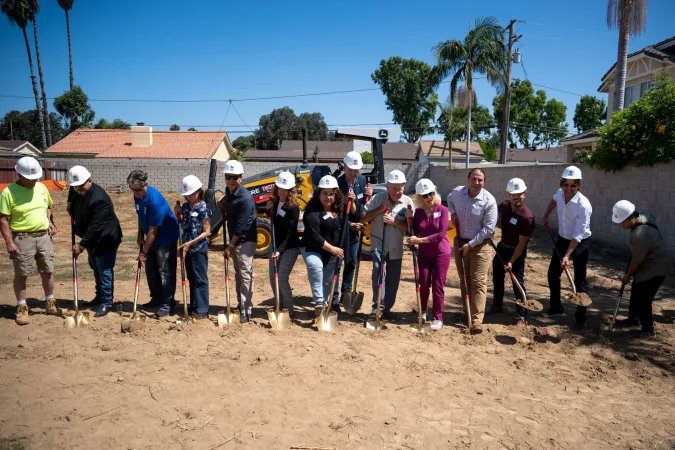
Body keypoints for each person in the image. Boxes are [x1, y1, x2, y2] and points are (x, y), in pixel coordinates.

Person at [0, 156, 59, 325]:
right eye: (30, 178)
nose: (34, 180)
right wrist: (9, 241)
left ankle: (50, 301)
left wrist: (49, 222)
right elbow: (3, 219)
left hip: (43, 237)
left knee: (48, 270)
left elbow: (48, 206)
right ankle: (22, 306)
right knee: (22, 273)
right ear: (18, 174)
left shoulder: (41, 188)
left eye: (36, 177)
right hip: (22, 237)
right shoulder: (8, 193)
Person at [611, 200, 672, 338]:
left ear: (632, 217)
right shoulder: (645, 214)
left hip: (656, 265)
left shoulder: (639, 235)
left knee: (644, 298)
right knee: (637, 289)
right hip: (650, 257)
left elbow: (636, 262)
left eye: (622, 222)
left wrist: (627, 276)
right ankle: (633, 319)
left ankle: (648, 329)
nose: (621, 225)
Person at [67, 165, 123, 317]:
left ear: (89, 180)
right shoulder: (75, 190)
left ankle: (106, 302)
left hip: (106, 237)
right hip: (90, 237)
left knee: (104, 269)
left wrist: (81, 246)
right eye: (76, 187)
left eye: (81, 187)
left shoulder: (100, 199)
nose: (79, 190)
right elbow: (71, 204)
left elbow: (96, 227)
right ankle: (99, 296)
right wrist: (71, 210)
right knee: (95, 267)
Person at [541, 166, 592, 329]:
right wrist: (546, 215)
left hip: (580, 243)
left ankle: (580, 316)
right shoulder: (560, 193)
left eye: (573, 185)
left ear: (578, 185)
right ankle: (556, 309)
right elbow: (554, 200)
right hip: (563, 239)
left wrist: (567, 255)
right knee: (553, 274)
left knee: (579, 279)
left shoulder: (583, 205)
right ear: (562, 184)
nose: (569, 188)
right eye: (566, 184)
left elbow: (578, 234)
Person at [448, 168, 497, 334]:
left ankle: (476, 320)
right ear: (468, 179)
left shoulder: (489, 201)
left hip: (480, 246)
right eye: (474, 179)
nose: (477, 183)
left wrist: (472, 244)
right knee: (464, 279)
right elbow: (449, 199)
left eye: (480, 180)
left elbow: (489, 230)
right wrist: (453, 213)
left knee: (478, 281)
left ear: (484, 182)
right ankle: (466, 311)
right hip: (461, 242)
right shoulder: (457, 192)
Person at [361, 169, 414, 320]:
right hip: (379, 241)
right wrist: (379, 210)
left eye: (400, 188)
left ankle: (387, 308)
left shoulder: (408, 202)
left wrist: (396, 222)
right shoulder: (377, 199)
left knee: (393, 278)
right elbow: (363, 218)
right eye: (394, 189)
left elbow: (411, 229)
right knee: (378, 270)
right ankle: (377, 306)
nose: (397, 192)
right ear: (388, 186)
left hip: (396, 246)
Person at [127, 170, 179, 318]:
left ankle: (168, 303)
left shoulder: (154, 200)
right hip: (150, 235)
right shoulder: (137, 195)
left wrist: (144, 252)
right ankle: (156, 298)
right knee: (151, 270)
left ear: (145, 185)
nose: (135, 193)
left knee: (165, 270)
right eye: (132, 189)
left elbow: (153, 231)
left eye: (137, 190)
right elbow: (140, 215)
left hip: (165, 238)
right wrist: (139, 234)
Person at [489, 178, 535, 328]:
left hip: (517, 251)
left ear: (524, 195)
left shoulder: (527, 217)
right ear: (509, 194)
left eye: (520, 194)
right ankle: (497, 305)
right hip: (502, 247)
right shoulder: (504, 206)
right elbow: (494, 216)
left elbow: (522, 244)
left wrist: (511, 261)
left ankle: (522, 315)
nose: (516, 197)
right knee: (497, 276)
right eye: (513, 194)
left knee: (517, 282)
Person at [405, 179, 450, 330]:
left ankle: (438, 317)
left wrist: (419, 240)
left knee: (438, 285)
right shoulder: (417, 213)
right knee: (423, 283)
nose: (429, 197)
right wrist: (408, 220)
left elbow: (440, 234)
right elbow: (414, 233)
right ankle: (423, 311)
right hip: (424, 254)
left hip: (441, 254)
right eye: (425, 195)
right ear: (420, 198)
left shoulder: (442, 210)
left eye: (431, 193)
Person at [300, 175, 345, 318]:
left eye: (331, 193)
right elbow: (314, 236)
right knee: (315, 266)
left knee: (327, 282)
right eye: (325, 193)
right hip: (312, 248)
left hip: (331, 251)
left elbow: (338, 226)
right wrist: (333, 249)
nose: (328, 197)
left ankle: (322, 309)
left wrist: (351, 225)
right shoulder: (312, 211)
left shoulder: (338, 209)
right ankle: (319, 301)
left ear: (336, 194)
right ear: (318, 193)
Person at [218, 160, 257, 323]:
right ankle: (241, 303)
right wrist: (222, 204)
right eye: (228, 177)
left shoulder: (245, 198)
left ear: (241, 178)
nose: (231, 181)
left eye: (234, 177)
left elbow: (241, 227)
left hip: (245, 240)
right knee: (239, 274)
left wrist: (230, 245)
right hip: (235, 239)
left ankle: (247, 309)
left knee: (246, 274)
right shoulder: (229, 192)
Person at [334, 151, 373, 311]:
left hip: (355, 230)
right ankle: (334, 298)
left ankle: (346, 293)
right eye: (351, 170)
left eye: (356, 170)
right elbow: (334, 212)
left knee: (351, 262)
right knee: (337, 263)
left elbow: (362, 209)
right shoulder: (337, 184)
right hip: (339, 229)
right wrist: (349, 223)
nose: (354, 173)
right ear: (344, 167)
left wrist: (368, 197)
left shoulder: (362, 180)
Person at [174, 175, 211, 320]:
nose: (188, 197)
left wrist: (192, 242)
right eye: (186, 195)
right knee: (191, 277)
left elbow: (207, 231)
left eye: (191, 194)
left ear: (198, 192)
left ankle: (202, 309)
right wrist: (177, 212)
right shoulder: (185, 207)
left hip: (198, 248)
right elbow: (183, 225)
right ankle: (193, 305)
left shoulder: (203, 207)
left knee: (200, 278)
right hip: (186, 248)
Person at [266, 171, 300, 319]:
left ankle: (291, 311)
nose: (282, 192)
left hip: (290, 247)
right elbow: (276, 223)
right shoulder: (274, 202)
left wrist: (279, 250)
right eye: (280, 188)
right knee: (273, 278)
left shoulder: (293, 208)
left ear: (291, 190)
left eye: (285, 189)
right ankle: (280, 303)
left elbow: (288, 232)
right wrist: (269, 210)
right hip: (276, 245)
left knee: (282, 277)